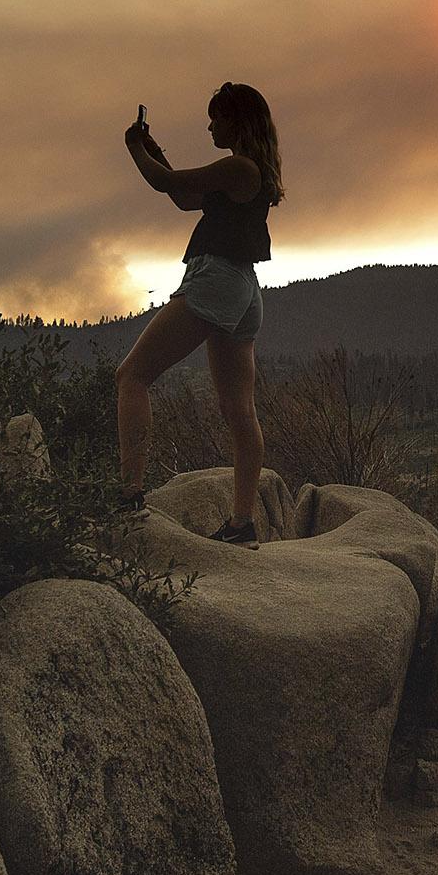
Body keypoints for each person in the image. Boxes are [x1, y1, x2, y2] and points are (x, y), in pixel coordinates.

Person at [117, 82, 283, 546]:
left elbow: (167, 185)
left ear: (236, 120)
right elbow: (185, 197)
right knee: (238, 410)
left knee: (132, 376)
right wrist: (156, 152)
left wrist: (134, 148)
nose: (210, 125)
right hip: (244, 290)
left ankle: (129, 495)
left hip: (216, 280)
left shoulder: (238, 166)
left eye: (216, 117)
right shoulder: (254, 171)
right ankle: (242, 524)